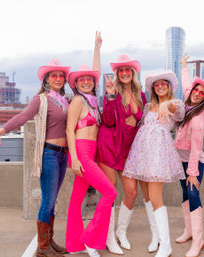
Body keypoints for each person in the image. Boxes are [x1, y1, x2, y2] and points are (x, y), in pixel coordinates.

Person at [0, 60, 71, 257]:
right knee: (48, 200)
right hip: (49, 154)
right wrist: (1, 130)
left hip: (62, 155)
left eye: (61, 75)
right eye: (53, 75)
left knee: (53, 201)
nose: (58, 78)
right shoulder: (40, 99)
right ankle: (42, 248)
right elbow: (23, 116)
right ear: (47, 80)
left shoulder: (65, 100)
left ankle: (49, 241)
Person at [65, 32, 117, 257]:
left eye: (89, 79)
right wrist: (75, 158)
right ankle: (90, 239)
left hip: (91, 153)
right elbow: (69, 129)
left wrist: (97, 48)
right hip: (81, 153)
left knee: (76, 200)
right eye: (81, 80)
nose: (86, 81)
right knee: (110, 193)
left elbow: (95, 70)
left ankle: (75, 244)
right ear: (75, 84)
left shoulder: (93, 101)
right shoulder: (77, 100)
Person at [123, 70, 186, 257]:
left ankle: (166, 246)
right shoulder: (148, 106)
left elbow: (178, 113)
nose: (159, 87)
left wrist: (167, 104)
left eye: (163, 84)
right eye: (156, 84)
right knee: (147, 197)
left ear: (169, 87)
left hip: (158, 154)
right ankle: (155, 237)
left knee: (156, 198)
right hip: (142, 154)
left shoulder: (175, 103)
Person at [96, 54, 147, 254]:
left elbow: (142, 122)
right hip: (109, 146)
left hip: (127, 150)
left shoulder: (141, 95)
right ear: (117, 74)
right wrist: (109, 96)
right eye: (121, 70)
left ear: (133, 73)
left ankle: (121, 231)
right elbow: (107, 120)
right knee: (110, 192)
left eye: (128, 70)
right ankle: (108, 238)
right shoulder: (112, 92)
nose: (125, 73)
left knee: (132, 192)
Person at [174, 53, 204, 257]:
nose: (197, 93)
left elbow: (196, 150)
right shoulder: (186, 105)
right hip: (180, 160)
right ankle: (189, 231)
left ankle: (198, 240)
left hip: (193, 163)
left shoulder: (198, 120)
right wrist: (184, 65)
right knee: (185, 195)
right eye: (196, 90)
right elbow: (185, 84)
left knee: (193, 194)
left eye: (202, 93)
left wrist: (192, 172)